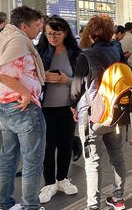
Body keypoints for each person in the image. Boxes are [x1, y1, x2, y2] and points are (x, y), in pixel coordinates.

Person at [71, 14, 126, 210]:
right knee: (117, 155)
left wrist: (73, 106)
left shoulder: (85, 56)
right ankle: (118, 198)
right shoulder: (116, 53)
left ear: (91, 34)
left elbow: (76, 88)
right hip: (116, 112)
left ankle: (93, 205)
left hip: (93, 114)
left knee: (93, 161)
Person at [0, 6, 46, 210]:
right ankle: (30, 206)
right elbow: (3, 73)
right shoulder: (18, 40)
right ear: (24, 25)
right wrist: (26, 93)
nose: (39, 30)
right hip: (24, 108)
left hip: (6, 107)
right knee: (33, 161)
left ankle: (4, 202)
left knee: (9, 158)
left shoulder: (6, 35)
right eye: (37, 26)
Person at [36, 15, 81, 203]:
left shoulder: (75, 54)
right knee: (47, 146)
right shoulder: (39, 52)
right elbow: (29, 77)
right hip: (45, 107)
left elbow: (82, 81)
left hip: (68, 108)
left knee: (66, 144)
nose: (52, 37)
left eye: (57, 33)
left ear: (65, 33)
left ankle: (62, 178)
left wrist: (66, 80)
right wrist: (42, 76)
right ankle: (49, 183)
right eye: (48, 34)